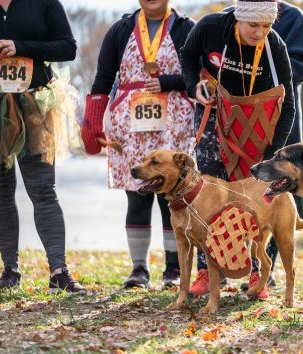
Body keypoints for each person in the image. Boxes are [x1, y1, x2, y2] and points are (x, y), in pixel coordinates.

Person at [180, 0, 295, 300]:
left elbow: (290, 105)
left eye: (267, 26)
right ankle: (207, 270)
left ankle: (259, 273)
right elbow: (188, 56)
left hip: (257, 126)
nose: (260, 33)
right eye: (253, 26)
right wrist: (194, 86)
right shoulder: (210, 28)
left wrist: (273, 153)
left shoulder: (275, 47)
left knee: (257, 198)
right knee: (208, 193)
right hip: (215, 116)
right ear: (238, 19)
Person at [201, 0, 303, 292]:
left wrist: (265, 68)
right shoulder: (228, 17)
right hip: (232, 120)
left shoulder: (293, 17)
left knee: (274, 194)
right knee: (227, 192)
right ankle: (219, 267)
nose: (259, 30)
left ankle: (265, 270)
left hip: (274, 120)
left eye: (264, 26)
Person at [81, 0, 195, 289]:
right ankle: (139, 269)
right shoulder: (120, 30)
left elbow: (200, 76)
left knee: (174, 196)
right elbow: (104, 77)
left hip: (174, 123)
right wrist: (93, 119)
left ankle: (173, 269)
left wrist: (169, 81)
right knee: (137, 195)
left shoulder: (185, 29)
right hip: (130, 127)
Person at [0, 0, 85, 292]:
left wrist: (20, 46)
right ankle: (10, 271)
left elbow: (67, 48)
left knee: (43, 190)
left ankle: (59, 271)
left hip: (35, 105)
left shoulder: (43, 2)